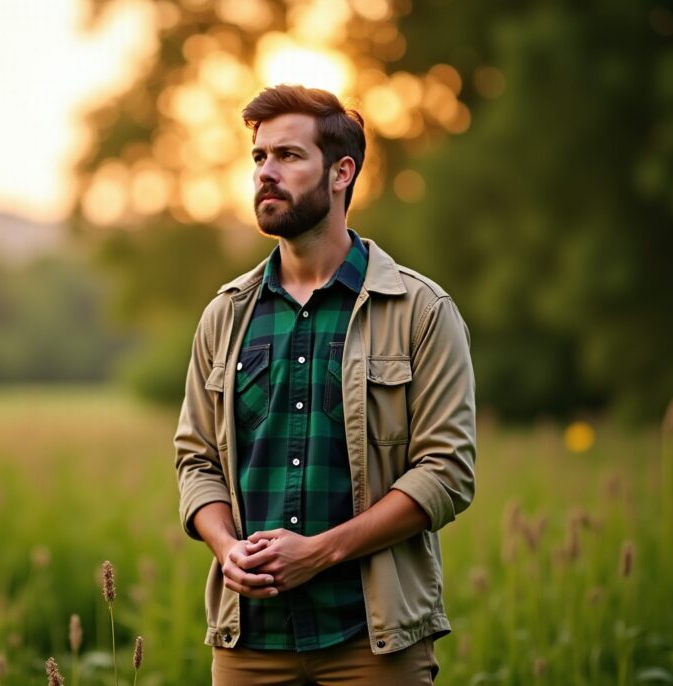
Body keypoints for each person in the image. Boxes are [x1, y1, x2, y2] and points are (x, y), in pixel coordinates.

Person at [174, 84, 477, 685]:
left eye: (288, 156)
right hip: (248, 642)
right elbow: (196, 460)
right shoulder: (226, 315)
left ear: (342, 172)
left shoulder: (420, 310)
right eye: (259, 157)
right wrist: (225, 547)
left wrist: (319, 552)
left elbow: (447, 471)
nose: (266, 172)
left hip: (373, 638)